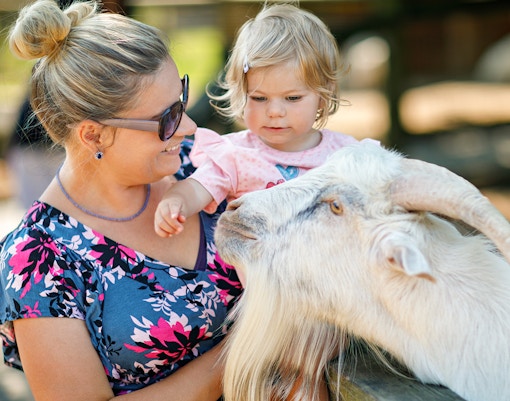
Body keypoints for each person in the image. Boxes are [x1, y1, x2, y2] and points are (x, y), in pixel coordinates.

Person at [0, 0, 243, 400]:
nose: (189, 126)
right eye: (166, 119)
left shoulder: (205, 168)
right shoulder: (37, 259)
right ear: (93, 135)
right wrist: (246, 349)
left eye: (181, 101)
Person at [154, 2, 378, 239]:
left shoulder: (345, 154)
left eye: (292, 98)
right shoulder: (235, 156)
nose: (274, 111)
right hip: (267, 272)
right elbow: (196, 188)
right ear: (241, 94)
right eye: (259, 98)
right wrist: (175, 202)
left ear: (322, 97)